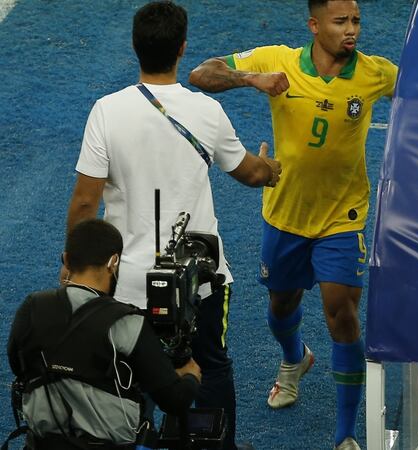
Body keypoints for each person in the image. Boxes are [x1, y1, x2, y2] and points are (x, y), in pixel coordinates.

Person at [63, 2, 281, 449]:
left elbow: (85, 202)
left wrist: (73, 268)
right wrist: (271, 168)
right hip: (199, 280)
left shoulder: (106, 111)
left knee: (127, 374)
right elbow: (250, 173)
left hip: (125, 285)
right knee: (211, 367)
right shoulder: (207, 111)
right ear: (182, 48)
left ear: (135, 47)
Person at [188, 1, 397, 448]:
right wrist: (252, 78)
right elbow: (201, 74)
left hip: (343, 217)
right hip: (285, 215)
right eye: (340, 21)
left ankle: (345, 435)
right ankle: (295, 358)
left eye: (356, 21)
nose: (352, 30)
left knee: (343, 315)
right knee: (282, 306)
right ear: (314, 25)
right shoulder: (277, 60)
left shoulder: (375, 73)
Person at [8, 219, 201, 449]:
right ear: (113, 262)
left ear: (67, 259)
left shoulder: (32, 308)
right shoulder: (128, 323)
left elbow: (19, 366)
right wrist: (191, 376)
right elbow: (174, 401)